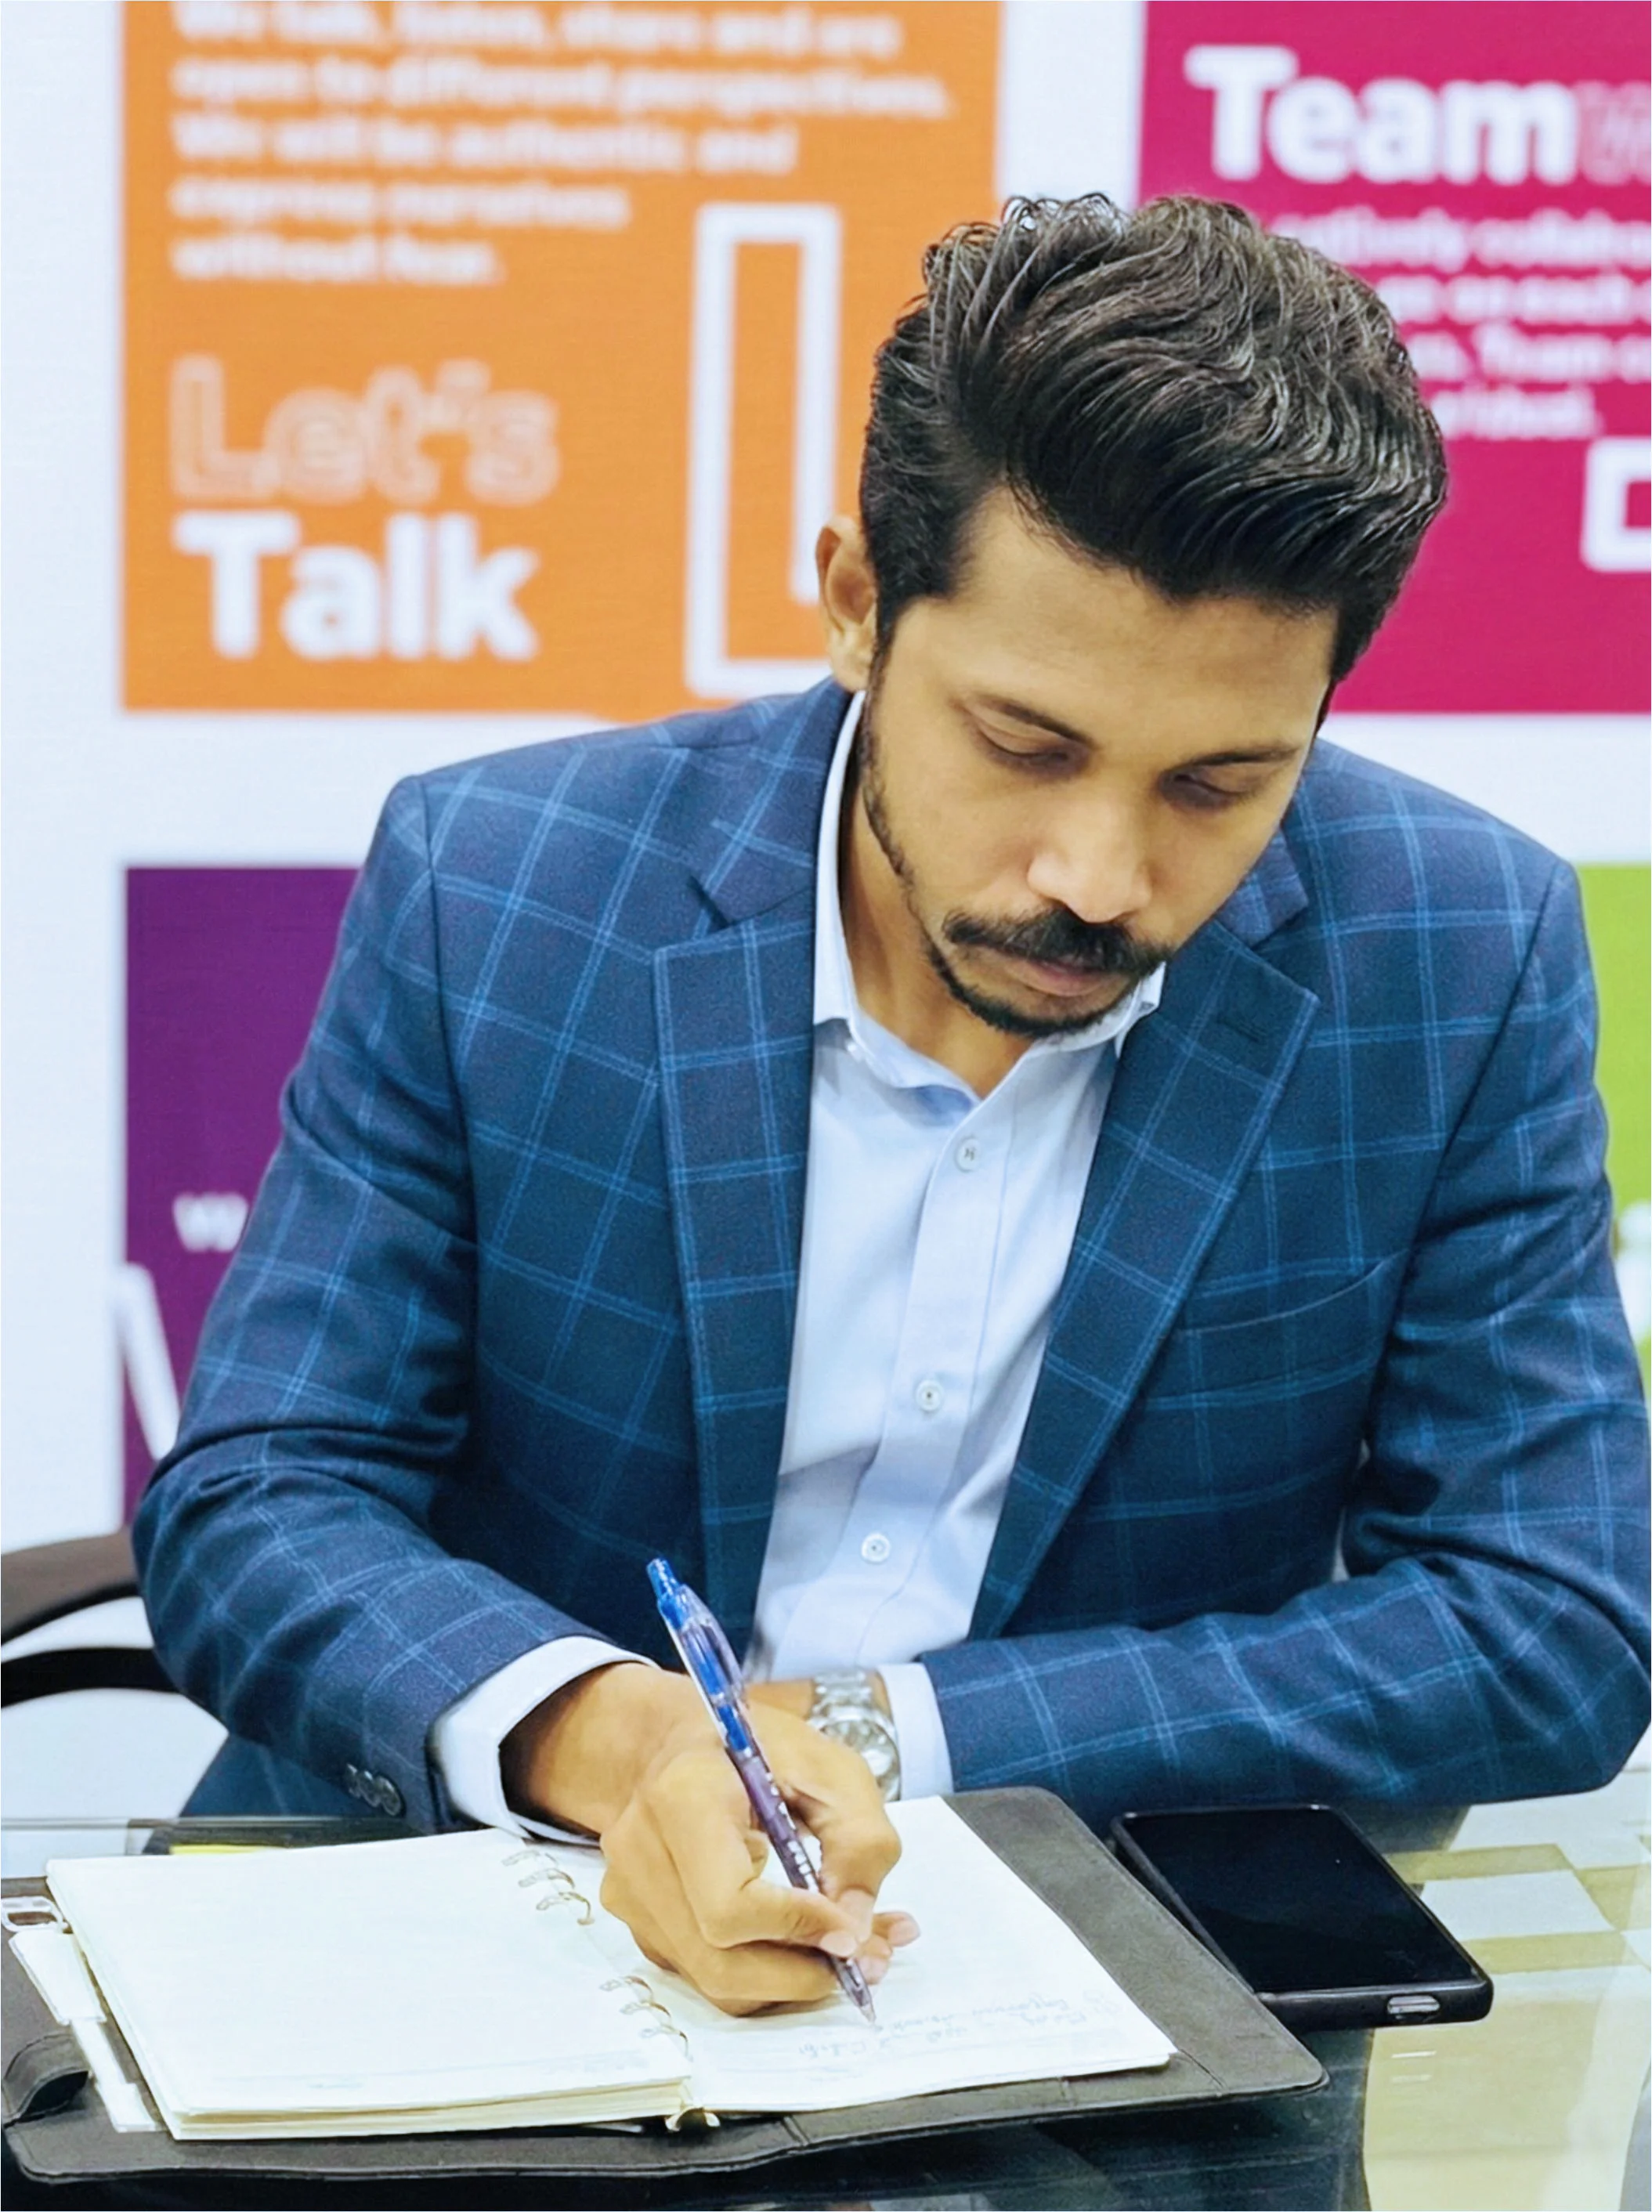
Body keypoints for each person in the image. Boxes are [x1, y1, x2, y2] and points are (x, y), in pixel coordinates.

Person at [135, 195, 1650, 2014]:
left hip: (1115, 2009)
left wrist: (893, 1728)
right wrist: (615, 1741)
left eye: (1220, 782)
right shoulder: (503, 885)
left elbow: (1549, 1624)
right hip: (458, 1962)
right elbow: (260, 1490)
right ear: (857, 601)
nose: (1099, 873)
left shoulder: (1457, 951)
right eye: (1024, 744)